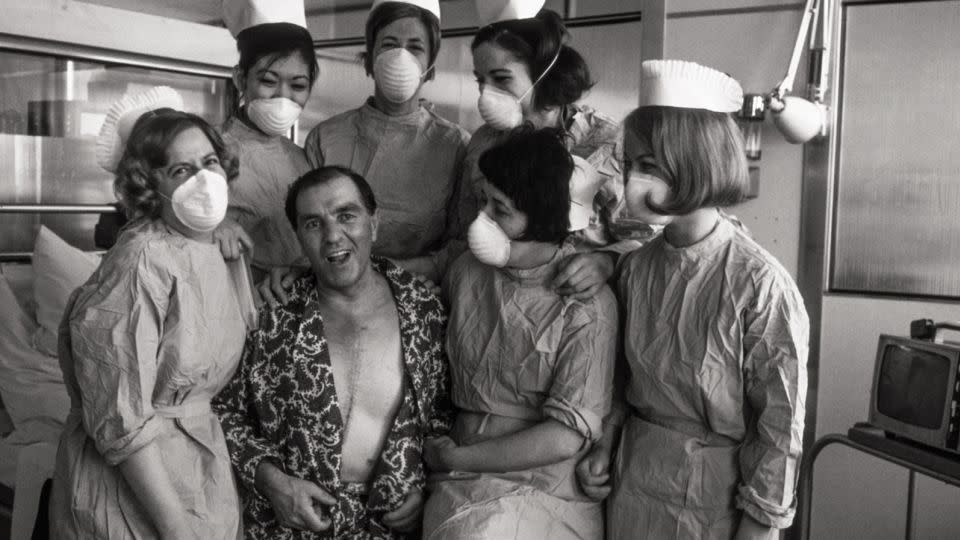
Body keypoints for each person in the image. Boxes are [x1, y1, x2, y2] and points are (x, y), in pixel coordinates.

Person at [581, 60, 809, 540]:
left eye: (649, 167)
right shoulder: (638, 268)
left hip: (713, 499)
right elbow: (624, 382)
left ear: (695, 164)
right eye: (629, 166)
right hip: (633, 482)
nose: (631, 183)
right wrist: (606, 444)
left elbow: (779, 428)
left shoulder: (760, 285)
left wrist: (760, 525)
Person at [50, 89, 255, 539]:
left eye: (210, 162)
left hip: (198, 467)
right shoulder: (140, 262)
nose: (203, 180)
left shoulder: (214, 249)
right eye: (181, 170)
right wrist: (177, 527)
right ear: (150, 185)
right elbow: (120, 416)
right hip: (138, 486)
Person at [213, 166, 453, 539]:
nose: (332, 235)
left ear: (374, 223)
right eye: (313, 224)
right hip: (289, 525)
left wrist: (427, 488)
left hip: (391, 528)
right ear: (299, 238)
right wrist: (273, 481)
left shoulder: (424, 310)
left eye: (346, 215)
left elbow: (442, 415)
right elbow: (222, 411)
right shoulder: (271, 315)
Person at [421, 128, 618, 540]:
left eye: (500, 208)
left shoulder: (585, 302)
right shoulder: (466, 271)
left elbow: (564, 436)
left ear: (540, 215)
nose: (482, 219)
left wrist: (462, 457)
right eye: (481, 202)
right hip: (458, 480)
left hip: (547, 487)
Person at [461, 0, 653, 301]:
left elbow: (648, 241)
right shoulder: (483, 144)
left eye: (501, 79)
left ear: (543, 74)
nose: (486, 94)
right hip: (495, 302)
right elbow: (466, 228)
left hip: (579, 316)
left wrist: (608, 261)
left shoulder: (606, 143)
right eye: (480, 81)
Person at [295, 0, 469, 287]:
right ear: (369, 60)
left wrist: (398, 273)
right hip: (332, 290)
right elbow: (305, 228)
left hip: (420, 293)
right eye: (389, 45)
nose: (401, 57)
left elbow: (461, 243)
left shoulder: (455, 145)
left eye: (415, 47)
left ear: (431, 68)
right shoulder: (326, 138)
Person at [215, 0, 319, 279]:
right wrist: (213, 224)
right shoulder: (210, 150)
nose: (283, 97)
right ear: (240, 79)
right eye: (269, 81)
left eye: (297, 85)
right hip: (239, 302)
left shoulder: (303, 158)